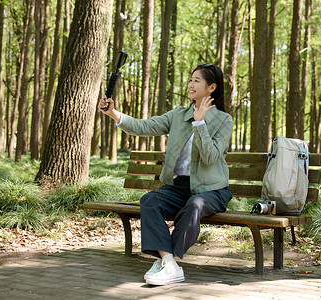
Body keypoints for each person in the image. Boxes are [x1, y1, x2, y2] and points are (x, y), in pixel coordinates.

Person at [99, 63, 233, 286]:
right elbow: (144, 126)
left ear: (211, 88)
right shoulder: (178, 115)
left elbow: (211, 158)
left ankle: (166, 261)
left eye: (197, 80)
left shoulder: (223, 120)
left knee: (195, 205)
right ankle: (169, 262)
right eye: (190, 79)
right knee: (150, 200)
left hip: (211, 190)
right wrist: (113, 113)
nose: (190, 84)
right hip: (179, 187)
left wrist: (200, 123)